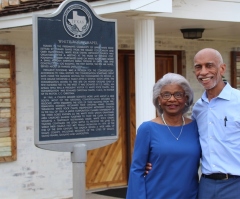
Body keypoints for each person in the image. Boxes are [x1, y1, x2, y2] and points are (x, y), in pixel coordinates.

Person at [145, 48, 240, 199]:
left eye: (209, 65)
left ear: (222, 68)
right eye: (198, 67)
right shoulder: (198, 109)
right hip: (206, 185)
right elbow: (187, 144)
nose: (203, 72)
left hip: (236, 185)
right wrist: (153, 162)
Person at [126, 73, 201, 199]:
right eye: (166, 95)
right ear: (159, 100)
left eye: (178, 94)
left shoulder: (196, 127)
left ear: (186, 98)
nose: (172, 99)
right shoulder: (147, 129)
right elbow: (137, 170)